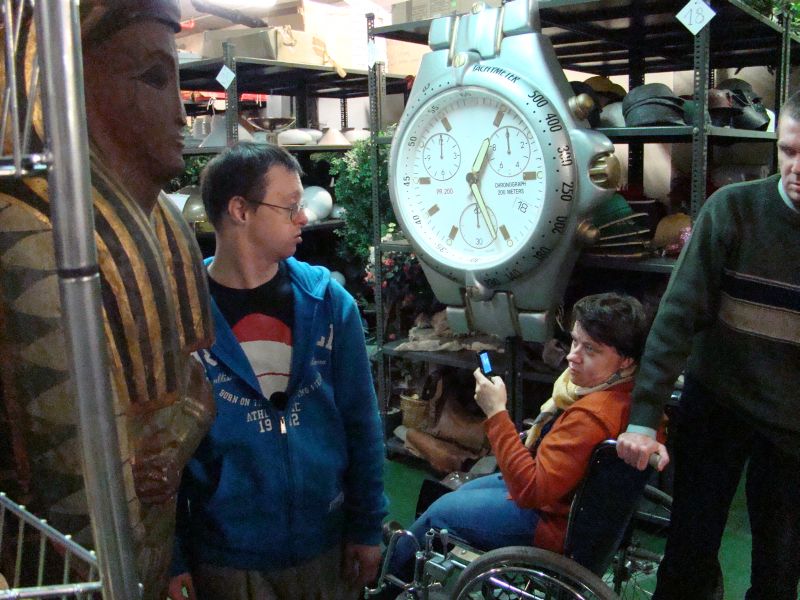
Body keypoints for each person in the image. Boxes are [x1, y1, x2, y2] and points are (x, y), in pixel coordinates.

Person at [0, 2, 214, 598]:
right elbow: (68, 482)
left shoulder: (167, 224)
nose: (181, 114)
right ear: (69, 85)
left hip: (150, 544)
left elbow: (195, 380)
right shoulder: (28, 235)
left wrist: (176, 443)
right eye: (152, 78)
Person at [168, 142, 387, 600]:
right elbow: (163, 447)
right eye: (289, 207)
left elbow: (362, 424)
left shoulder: (329, 304)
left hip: (326, 545)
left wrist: (367, 525)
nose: (303, 217)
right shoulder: (181, 316)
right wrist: (175, 557)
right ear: (240, 211)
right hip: (227, 557)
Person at [616, 91, 800, 600]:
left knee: (780, 567)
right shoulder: (734, 211)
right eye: (788, 151)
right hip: (719, 402)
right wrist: (643, 418)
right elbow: (676, 318)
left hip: (791, 426)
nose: (796, 168)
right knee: (688, 551)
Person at [387, 293, 653, 576]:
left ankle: (386, 579)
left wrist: (496, 412)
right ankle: (404, 555)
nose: (572, 356)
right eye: (575, 341)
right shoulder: (635, 400)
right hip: (568, 503)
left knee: (439, 513)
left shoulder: (591, 416)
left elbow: (529, 491)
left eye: (590, 349)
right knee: (460, 491)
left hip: (550, 522)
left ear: (626, 361)